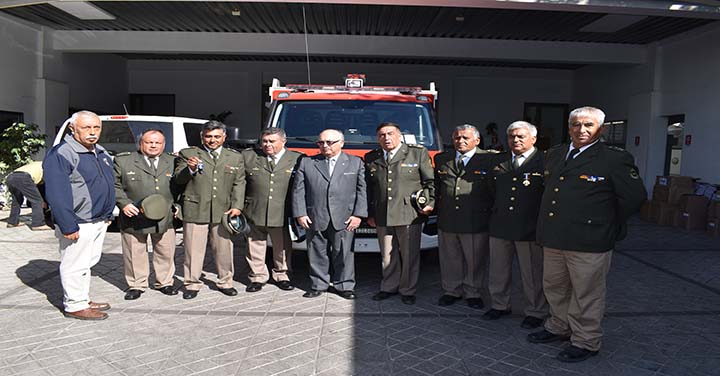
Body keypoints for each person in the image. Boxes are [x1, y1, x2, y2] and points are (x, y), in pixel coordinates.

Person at [527, 106, 646, 362]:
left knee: (586, 293)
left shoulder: (614, 159)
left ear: (600, 129)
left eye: (588, 125)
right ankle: (559, 326)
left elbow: (634, 198)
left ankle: (586, 340)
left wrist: (604, 223)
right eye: (576, 125)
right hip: (554, 236)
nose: (581, 130)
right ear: (569, 127)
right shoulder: (556, 154)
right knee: (555, 287)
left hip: (589, 240)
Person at [43, 110, 115, 320]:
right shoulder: (62, 153)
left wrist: (108, 213)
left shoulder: (99, 151)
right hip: (78, 221)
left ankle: (82, 297)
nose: (92, 132)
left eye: (96, 128)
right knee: (74, 263)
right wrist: (68, 224)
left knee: (87, 261)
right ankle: (74, 305)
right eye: (86, 128)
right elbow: (57, 193)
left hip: (98, 218)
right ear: (73, 129)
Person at [485, 121, 548, 328]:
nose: (516, 140)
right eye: (512, 136)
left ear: (533, 138)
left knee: (532, 273)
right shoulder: (499, 161)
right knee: (498, 269)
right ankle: (500, 304)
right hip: (501, 224)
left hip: (528, 227)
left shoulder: (545, 161)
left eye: (521, 136)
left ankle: (535, 311)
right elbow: (491, 191)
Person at [174, 120, 245, 299]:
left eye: (216, 136)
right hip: (195, 208)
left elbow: (239, 183)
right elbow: (178, 180)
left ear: (224, 137)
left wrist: (237, 206)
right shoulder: (189, 154)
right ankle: (191, 283)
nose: (212, 140)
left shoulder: (235, 157)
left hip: (223, 210)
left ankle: (226, 281)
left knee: (224, 249)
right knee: (193, 249)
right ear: (202, 136)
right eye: (208, 136)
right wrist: (189, 169)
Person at [292, 129, 367, 299]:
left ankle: (345, 286)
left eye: (329, 142)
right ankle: (318, 284)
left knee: (344, 253)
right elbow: (298, 191)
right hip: (315, 215)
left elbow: (362, 190)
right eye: (320, 143)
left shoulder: (355, 163)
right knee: (317, 251)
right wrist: (300, 213)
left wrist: (358, 215)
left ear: (341, 143)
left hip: (345, 217)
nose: (324, 146)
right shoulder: (307, 162)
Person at [365, 122, 434, 305]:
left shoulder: (416, 153)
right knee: (387, 254)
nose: (386, 138)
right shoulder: (372, 157)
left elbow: (429, 182)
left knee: (410, 254)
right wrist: (370, 213)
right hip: (382, 213)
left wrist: (430, 203)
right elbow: (370, 189)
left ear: (399, 135)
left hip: (408, 213)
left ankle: (408, 289)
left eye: (390, 134)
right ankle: (389, 287)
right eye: (381, 135)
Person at [433, 124, 498, 309]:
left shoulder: (489, 159)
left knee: (474, 260)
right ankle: (451, 290)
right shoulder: (442, 159)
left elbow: (495, 191)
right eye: (456, 138)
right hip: (448, 218)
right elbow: (436, 187)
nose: (460, 141)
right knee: (450, 258)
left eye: (465, 138)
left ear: (477, 141)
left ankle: (473, 292)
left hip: (475, 220)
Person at [113, 129, 179, 300]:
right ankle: (136, 284)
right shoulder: (124, 160)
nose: (153, 145)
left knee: (165, 251)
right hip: (134, 214)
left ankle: (164, 282)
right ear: (141, 143)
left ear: (164, 145)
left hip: (164, 216)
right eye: (149, 142)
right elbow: (114, 185)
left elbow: (182, 185)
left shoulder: (173, 161)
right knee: (135, 252)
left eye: (158, 142)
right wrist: (123, 204)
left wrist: (178, 205)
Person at [241, 128, 303, 293]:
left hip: (282, 210)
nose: (267, 145)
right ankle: (257, 276)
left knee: (282, 246)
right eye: (264, 141)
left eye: (271, 141)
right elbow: (239, 182)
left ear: (283, 141)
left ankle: (281, 275)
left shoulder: (297, 158)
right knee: (254, 245)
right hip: (255, 209)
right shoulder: (249, 157)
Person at [4, 161, 52, 230]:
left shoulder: (38, 163)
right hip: (23, 178)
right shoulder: (48, 166)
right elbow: (42, 184)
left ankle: (12, 222)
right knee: (37, 201)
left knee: (17, 200)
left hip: (10, 177)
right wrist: (43, 201)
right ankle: (38, 224)